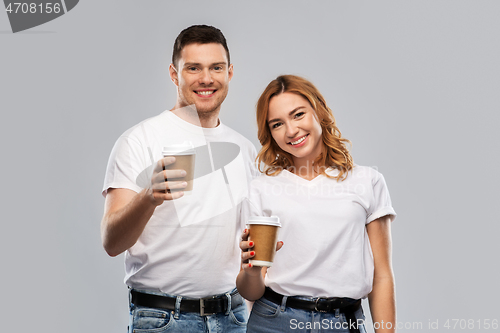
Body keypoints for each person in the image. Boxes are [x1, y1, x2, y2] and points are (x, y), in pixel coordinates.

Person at [101, 25, 258, 333]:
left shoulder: (244, 150)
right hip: (164, 320)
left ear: (230, 73)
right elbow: (111, 242)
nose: (206, 78)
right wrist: (149, 196)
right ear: (174, 74)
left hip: (234, 318)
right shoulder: (138, 140)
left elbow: (247, 244)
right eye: (193, 68)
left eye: (216, 67)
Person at [236, 75, 397, 333]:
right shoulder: (261, 189)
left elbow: (382, 277)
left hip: (343, 323)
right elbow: (250, 291)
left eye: (298, 115)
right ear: (270, 133)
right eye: (277, 124)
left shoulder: (368, 181)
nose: (291, 131)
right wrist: (252, 271)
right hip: (273, 321)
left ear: (319, 111)